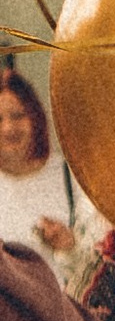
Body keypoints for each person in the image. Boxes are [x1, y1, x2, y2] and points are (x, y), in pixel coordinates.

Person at [0, 64, 83, 277]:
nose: (8, 128)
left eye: (18, 115)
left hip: (66, 308)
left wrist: (69, 247)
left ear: (35, 118)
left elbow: (101, 267)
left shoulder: (72, 177)